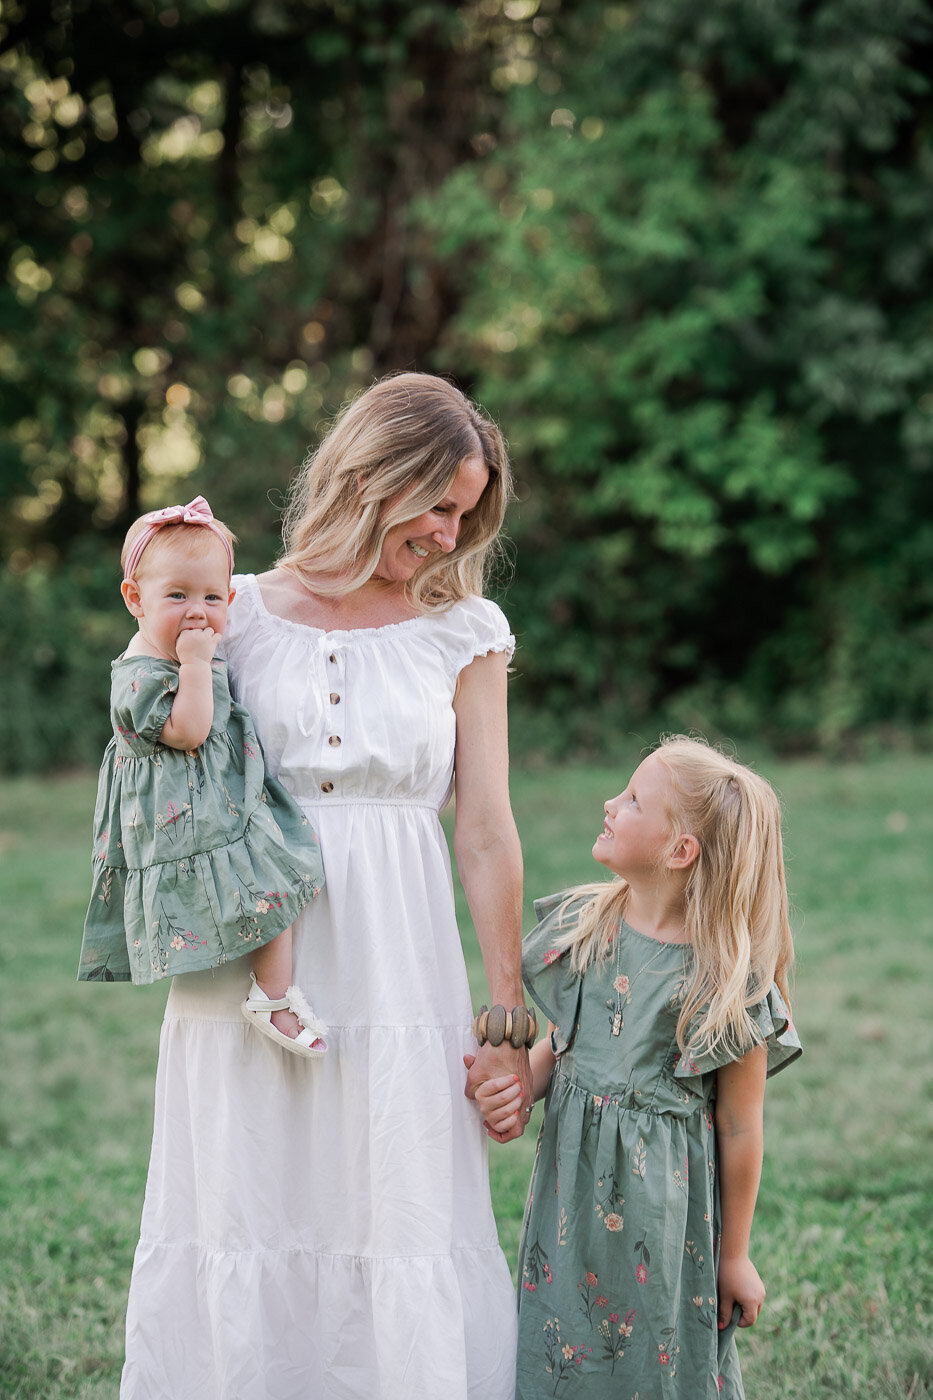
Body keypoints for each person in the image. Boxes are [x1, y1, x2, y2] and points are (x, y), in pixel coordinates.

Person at [119, 373, 533, 1400]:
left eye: (466, 513)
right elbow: (143, 739)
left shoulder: (464, 629)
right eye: (437, 503)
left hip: (402, 965)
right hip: (249, 970)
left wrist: (507, 1004)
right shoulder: (231, 607)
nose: (449, 532)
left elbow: (484, 827)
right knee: (246, 1201)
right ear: (371, 475)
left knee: (397, 1205)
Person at [476, 735, 802, 1399]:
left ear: (679, 852)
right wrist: (518, 1089)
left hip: (665, 1225)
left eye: (631, 800)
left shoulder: (725, 983)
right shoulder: (588, 925)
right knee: (562, 1342)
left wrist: (733, 1256)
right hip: (569, 1208)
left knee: (657, 1358)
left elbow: (740, 1129)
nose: (609, 803)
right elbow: (562, 1050)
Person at [77, 496, 328, 1055]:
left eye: (213, 597)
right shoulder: (141, 677)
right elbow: (190, 730)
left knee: (275, 876)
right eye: (178, 595)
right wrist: (195, 664)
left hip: (214, 806)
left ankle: (272, 990)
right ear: (134, 599)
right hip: (188, 823)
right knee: (269, 879)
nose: (198, 611)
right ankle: (273, 994)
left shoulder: (189, 648)